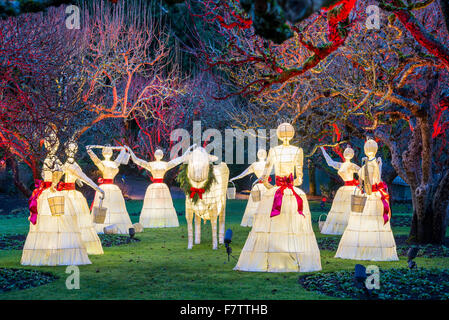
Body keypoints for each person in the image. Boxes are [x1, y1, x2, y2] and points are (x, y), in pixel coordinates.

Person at [234, 123, 321, 272]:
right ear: (292, 134)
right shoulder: (297, 151)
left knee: (271, 224)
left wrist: (272, 189)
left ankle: (272, 258)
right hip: (292, 192)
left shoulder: (274, 151)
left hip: (277, 192)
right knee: (293, 224)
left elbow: (265, 177)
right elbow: (299, 179)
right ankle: (292, 257)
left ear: (279, 135)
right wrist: (290, 185)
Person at [21, 127, 91, 266]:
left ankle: (57, 249)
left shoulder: (56, 160)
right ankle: (49, 250)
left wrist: (74, 179)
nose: (52, 144)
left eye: (54, 142)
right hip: (48, 192)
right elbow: (50, 174)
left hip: (53, 191)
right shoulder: (49, 160)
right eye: (49, 142)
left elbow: (62, 171)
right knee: (48, 221)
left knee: (60, 221)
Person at [335, 139, 398, 261]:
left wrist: (378, 167)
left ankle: (369, 247)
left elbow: (373, 180)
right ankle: (368, 246)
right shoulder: (370, 164)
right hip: (371, 194)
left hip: (371, 194)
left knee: (369, 219)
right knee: (368, 219)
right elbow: (375, 180)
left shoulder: (370, 164)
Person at [125, 146, 193, 228]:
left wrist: (187, 152)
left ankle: (162, 220)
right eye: (157, 153)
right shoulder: (151, 165)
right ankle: (153, 220)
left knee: (163, 203)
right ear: (154, 155)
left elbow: (179, 160)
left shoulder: (165, 164)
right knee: (153, 204)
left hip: (162, 187)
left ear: (162, 155)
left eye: (160, 153)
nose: (158, 154)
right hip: (154, 187)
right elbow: (137, 161)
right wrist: (130, 152)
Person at [62, 141, 105, 254]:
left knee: (75, 217)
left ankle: (75, 242)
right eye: (69, 149)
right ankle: (69, 243)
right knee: (69, 217)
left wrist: (96, 187)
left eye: (73, 149)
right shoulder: (69, 164)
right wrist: (97, 188)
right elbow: (83, 177)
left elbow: (83, 177)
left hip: (70, 193)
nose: (71, 151)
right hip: (67, 193)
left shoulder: (71, 164)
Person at [87, 145, 133, 234]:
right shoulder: (102, 163)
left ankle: (116, 225)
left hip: (113, 187)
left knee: (115, 205)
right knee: (103, 205)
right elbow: (95, 159)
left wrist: (123, 150)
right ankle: (100, 226)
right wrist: (90, 149)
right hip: (104, 187)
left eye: (109, 150)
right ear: (103, 153)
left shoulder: (115, 163)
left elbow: (120, 157)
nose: (108, 152)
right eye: (105, 150)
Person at [320, 146, 360, 235]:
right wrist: (323, 151)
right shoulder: (342, 165)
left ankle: (352, 226)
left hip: (351, 188)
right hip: (345, 188)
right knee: (341, 208)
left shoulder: (352, 166)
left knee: (350, 207)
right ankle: (344, 226)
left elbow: (362, 172)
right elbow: (330, 162)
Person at [229, 149, 270, 227]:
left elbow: (264, 175)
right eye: (260, 153)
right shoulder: (255, 165)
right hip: (258, 187)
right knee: (255, 205)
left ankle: (264, 222)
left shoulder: (267, 164)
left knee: (265, 205)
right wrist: (234, 178)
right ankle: (254, 221)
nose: (261, 154)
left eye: (263, 153)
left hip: (265, 187)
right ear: (257, 155)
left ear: (265, 155)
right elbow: (244, 173)